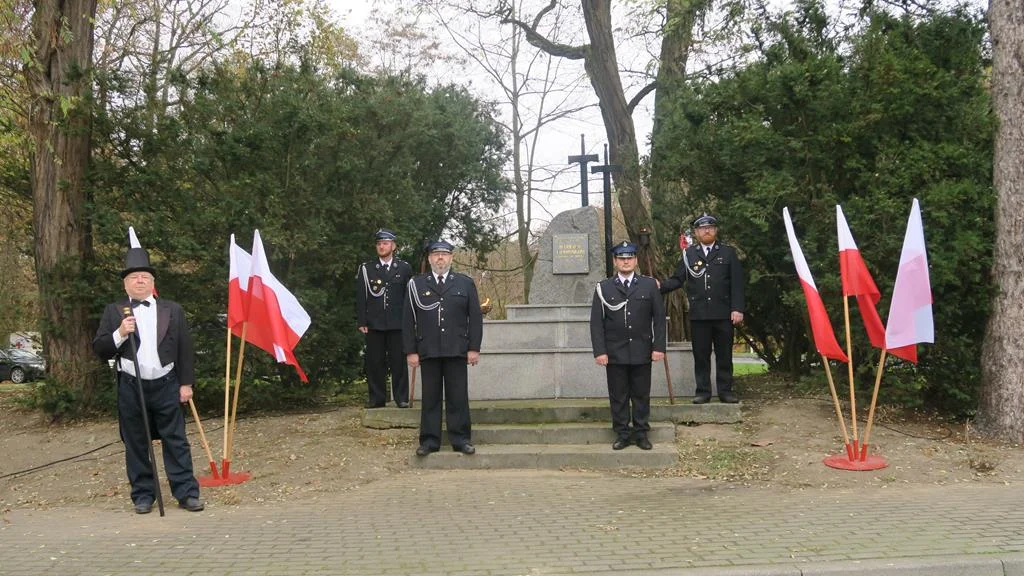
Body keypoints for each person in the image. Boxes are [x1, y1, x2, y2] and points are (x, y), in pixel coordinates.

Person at [92, 245, 204, 514]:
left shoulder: (172, 309)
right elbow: (100, 348)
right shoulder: (114, 311)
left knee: (176, 440)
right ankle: (143, 495)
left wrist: (186, 384)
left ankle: (186, 493)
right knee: (136, 442)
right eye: (133, 277)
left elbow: (185, 349)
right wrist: (119, 332)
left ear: (153, 282)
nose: (139, 280)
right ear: (125, 284)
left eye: (144, 276)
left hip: (167, 383)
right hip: (132, 386)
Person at [403, 240, 483, 456]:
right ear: (429, 259)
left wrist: (474, 347)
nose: (440, 258)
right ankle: (429, 441)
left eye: (444, 254)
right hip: (428, 349)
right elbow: (408, 320)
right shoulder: (416, 284)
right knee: (430, 398)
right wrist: (411, 350)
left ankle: (461, 439)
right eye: (436, 254)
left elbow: (475, 318)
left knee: (458, 397)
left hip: (457, 349)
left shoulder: (464, 283)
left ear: (451, 258)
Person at [660, 213, 745, 404]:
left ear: (716, 230)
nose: (707, 230)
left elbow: (737, 283)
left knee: (724, 355)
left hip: (724, 313)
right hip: (699, 315)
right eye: (702, 228)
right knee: (701, 355)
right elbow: (677, 279)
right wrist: (659, 287)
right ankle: (703, 391)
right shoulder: (689, 254)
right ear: (696, 232)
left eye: (710, 227)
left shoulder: (727, 253)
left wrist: (737, 308)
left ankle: (725, 391)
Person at [590, 241, 667, 450]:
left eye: (630, 258)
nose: (626, 261)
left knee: (641, 394)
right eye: (622, 258)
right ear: (615, 261)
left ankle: (641, 433)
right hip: (615, 352)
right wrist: (600, 351)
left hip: (642, 350)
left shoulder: (649, 285)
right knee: (619, 395)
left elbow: (659, 319)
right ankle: (622, 433)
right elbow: (597, 323)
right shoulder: (603, 288)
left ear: (635, 260)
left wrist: (659, 347)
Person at [355, 229, 413, 408]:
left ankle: (401, 398)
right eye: (379, 243)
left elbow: (408, 296)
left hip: (397, 323)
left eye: (385, 243)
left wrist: (410, 321)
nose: (382, 246)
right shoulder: (367, 268)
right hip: (375, 323)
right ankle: (377, 398)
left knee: (399, 363)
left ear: (393, 246)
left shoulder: (404, 268)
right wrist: (362, 321)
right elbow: (361, 296)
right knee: (374, 362)